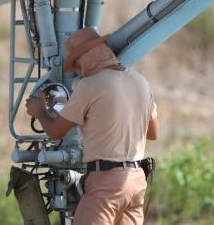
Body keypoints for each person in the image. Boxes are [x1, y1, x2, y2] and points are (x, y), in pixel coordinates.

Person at [26, 27, 159, 225]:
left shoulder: (90, 85)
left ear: (85, 57)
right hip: (137, 180)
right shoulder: (141, 82)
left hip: (105, 183)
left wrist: (39, 111)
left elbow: (55, 132)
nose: (78, 69)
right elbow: (153, 133)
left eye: (77, 63)